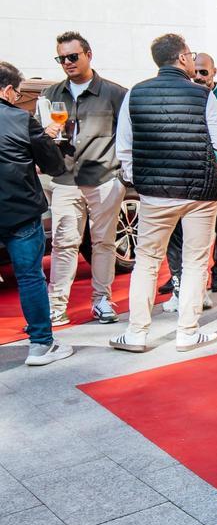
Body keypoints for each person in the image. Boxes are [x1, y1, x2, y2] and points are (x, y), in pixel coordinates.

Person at [110, 34, 217, 353]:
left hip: (155, 195)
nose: (193, 61)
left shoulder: (136, 93)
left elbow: (123, 146)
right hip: (200, 192)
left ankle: (137, 333)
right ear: (180, 59)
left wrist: (142, 180)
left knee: (147, 261)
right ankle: (187, 332)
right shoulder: (203, 95)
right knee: (194, 262)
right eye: (190, 55)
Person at [42, 31, 128, 325]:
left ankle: (102, 301)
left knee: (103, 243)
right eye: (61, 58)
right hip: (65, 178)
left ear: (88, 54)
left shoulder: (115, 94)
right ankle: (56, 306)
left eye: (72, 56)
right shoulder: (51, 94)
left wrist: (123, 175)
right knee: (63, 243)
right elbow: (41, 136)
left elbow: (128, 137)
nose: (67, 62)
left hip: (104, 178)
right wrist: (48, 135)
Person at [159, 52, 217, 311]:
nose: (199, 77)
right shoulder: (187, 96)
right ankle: (180, 277)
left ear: (214, 72)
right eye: (196, 72)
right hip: (192, 171)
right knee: (181, 227)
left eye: (204, 72)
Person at [0, 61, 74, 366]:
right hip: (19, 210)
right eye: (17, 92)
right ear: (7, 90)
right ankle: (41, 344)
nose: (18, 97)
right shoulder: (21, 119)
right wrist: (46, 138)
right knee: (29, 276)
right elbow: (55, 165)